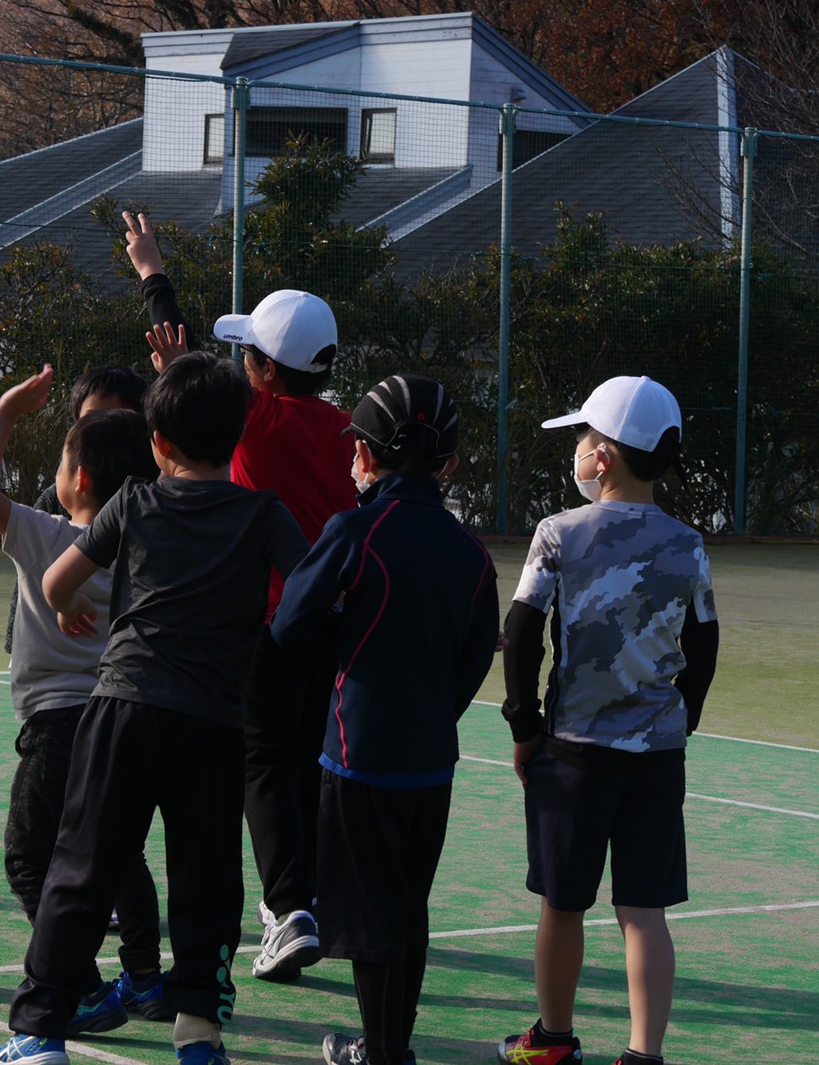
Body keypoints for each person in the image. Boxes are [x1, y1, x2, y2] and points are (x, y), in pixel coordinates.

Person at [0, 351, 308, 1065]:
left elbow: (56, 579)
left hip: (123, 708)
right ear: (240, 436)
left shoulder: (134, 501)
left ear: (158, 445)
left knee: (79, 867)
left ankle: (40, 1031)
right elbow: (315, 589)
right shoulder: (263, 514)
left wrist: (68, 605)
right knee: (207, 885)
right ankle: (198, 1033)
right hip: (215, 723)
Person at [122, 210, 357, 982]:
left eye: (246, 352)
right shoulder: (349, 428)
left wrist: (152, 274)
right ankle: (311, 901)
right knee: (307, 766)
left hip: (267, 623)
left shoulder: (256, 420)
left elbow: (186, 362)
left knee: (262, 763)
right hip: (336, 621)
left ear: (259, 371)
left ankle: (288, 909)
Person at [270, 374, 501, 1065]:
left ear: (366, 456)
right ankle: (388, 1044)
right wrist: (433, 708)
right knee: (410, 904)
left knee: (369, 914)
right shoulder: (471, 551)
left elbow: (288, 626)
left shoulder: (354, 529)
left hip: (357, 752)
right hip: (431, 756)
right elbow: (473, 658)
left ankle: (384, 1052)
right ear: (450, 463)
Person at [495, 375, 720, 1065]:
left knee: (562, 905)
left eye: (585, 438)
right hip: (656, 755)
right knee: (643, 911)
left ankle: (553, 1040)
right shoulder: (687, 544)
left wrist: (524, 726)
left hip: (573, 755)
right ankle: (643, 1055)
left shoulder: (558, 533)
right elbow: (704, 644)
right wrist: (683, 720)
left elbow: (523, 630)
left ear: (605, 458)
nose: (581, 451)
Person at [0, 363, 172, 1034]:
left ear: (78, 479)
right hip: (125, 720)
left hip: (57, 727)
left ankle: (82, 985)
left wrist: (7, 409)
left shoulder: (46, 536)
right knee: (120, 855)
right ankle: (145, 978)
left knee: (30, 858)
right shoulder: (147, 546)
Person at [2, 365, 149, 656]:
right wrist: (13, 642)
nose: (103, 430)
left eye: (118, 419)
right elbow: (27, 586)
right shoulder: (54, 501)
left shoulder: (150, 506)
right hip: (50, 660)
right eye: (93, 418)